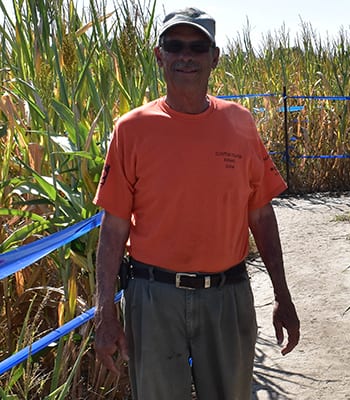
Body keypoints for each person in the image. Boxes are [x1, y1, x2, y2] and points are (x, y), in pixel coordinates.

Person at [92, 7, 300, 399]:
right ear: (159, 55)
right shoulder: (131, 129)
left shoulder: (241, 124)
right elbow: (114, 227)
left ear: (214, 56)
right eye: (174, 46)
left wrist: (283, 296)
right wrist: (105, 311)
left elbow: (261, 213)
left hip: (227, 297)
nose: (186, 56)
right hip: (153, 300)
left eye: (197, 47)